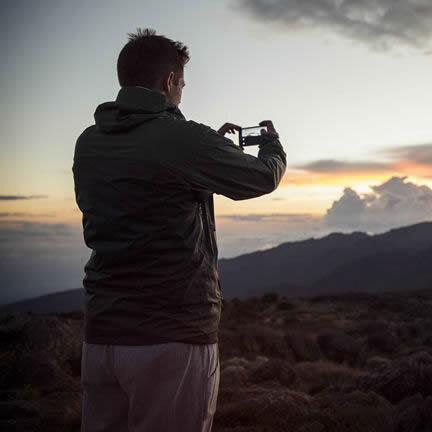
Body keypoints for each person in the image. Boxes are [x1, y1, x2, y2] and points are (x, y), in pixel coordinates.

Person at [72, 28, 286, 432]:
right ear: (169, 81)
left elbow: (142, 194)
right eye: (182, 83)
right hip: (170, 337)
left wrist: (204, 158)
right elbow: (261, 177)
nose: (182, 92)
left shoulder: (89, 142)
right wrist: (271, 144)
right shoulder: (180, 138)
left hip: (102, 338)